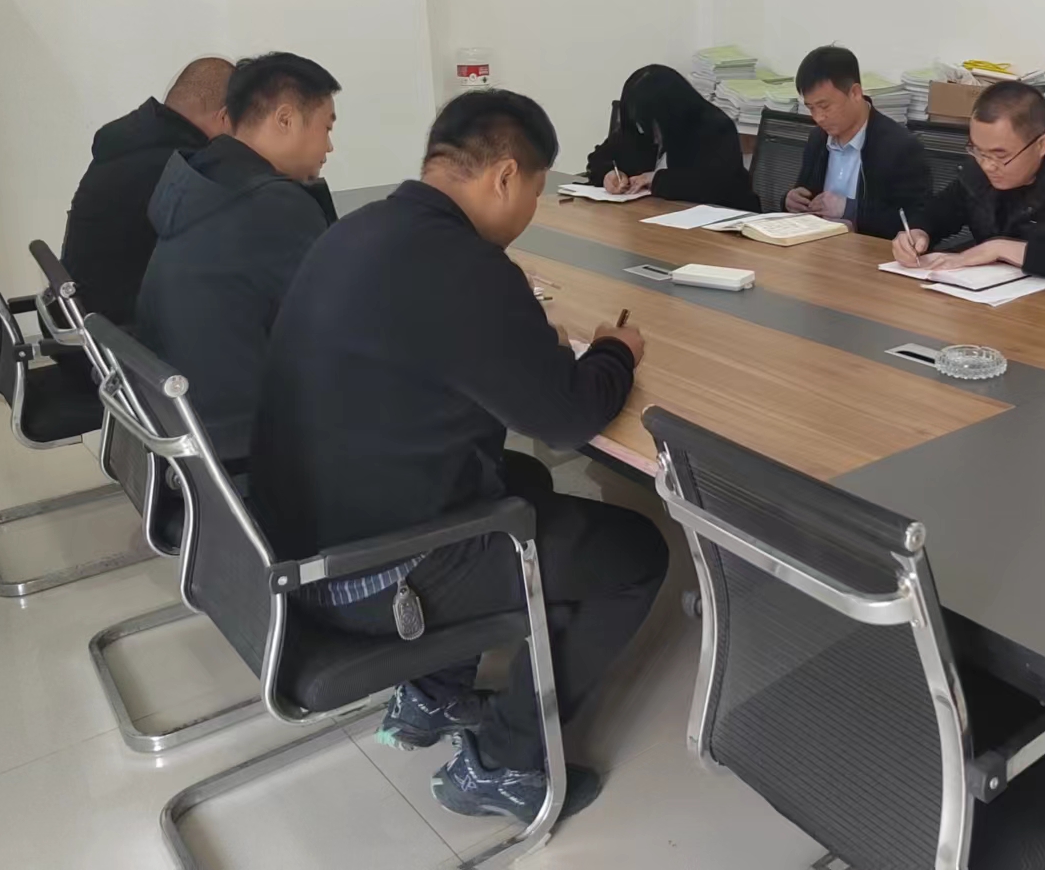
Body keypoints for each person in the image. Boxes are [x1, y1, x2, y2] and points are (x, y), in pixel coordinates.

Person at [249, 89, 666, 825]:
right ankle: (503, 764)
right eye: (535, 191)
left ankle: (430, 694)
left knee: (523, 478)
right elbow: (567, 418)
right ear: (505, 175)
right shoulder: (465, 265)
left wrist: (519, 340)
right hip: (369, 577)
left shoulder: (360, 229)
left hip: (294, 545)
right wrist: (614, 351)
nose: (531, 209)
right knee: (636, 551)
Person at [136, 52, 339, 461]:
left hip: (190, 428)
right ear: (285, 119)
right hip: (250, 442)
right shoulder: (274, 206)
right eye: (327, 128)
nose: (329, 146)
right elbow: (340, 326)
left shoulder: (196, 179)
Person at [892, 81, 1045, 285]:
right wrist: (918, 231)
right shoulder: (986, 155)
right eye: (978, 150)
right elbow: (945, 207)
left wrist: (1000, 248)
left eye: (1000, 156)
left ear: (1041, 145)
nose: (987, 165)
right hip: (999, 291)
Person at [60, 57, 233, 325]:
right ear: (225, 117)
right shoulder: (183, 167)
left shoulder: (129, 143)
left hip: (81, 317)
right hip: (117, 334)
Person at [782, 45, 931, 238]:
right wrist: (789, 201)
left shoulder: (900, 147)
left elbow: (915, 222)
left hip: (869, 251)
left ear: (855, 93)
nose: (818, 118)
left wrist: (850, 209)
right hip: (817, 247)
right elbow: (805, 197)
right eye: (811, 108)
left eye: (824, 106)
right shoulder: (817, 139)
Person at [584, 64, 758, 210]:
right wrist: (608, 174)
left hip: (717, 224)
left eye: (653, 124)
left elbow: (710, 187)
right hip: (646, 217)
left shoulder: (714, 128)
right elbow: (599, 159)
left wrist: (654, 179)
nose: (649, 134)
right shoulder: (639, 129)